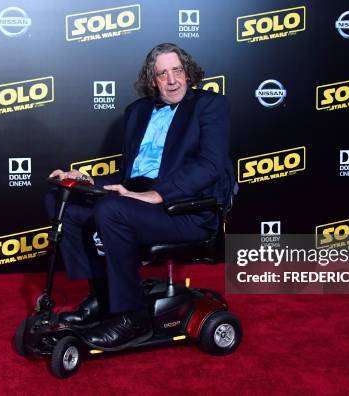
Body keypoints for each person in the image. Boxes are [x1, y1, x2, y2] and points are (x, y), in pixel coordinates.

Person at [47, 43, 233, 349]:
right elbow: (128, 178)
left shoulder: (210, 105)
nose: (172, 80)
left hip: (184, 209)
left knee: (110, 211)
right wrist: (87, 180)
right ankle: (103, 298)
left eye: (177, 71)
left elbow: (210, 165)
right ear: (152, 79)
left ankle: (130, 317)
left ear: (188, 73)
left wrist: (156, 194)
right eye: (163, 74)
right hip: (138, 200)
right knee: (63, 200)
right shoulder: (137, 112)